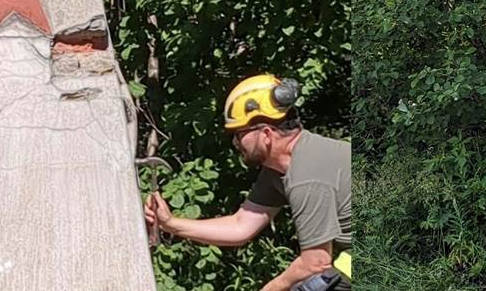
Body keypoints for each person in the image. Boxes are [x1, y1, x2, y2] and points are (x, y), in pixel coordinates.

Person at [145, 74, 351, 291]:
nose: (235, 142)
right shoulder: (278, 170)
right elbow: (240, 225)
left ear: (266, 134)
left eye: (239, 133)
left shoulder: (306, 174)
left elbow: (315, 264)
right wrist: (170, 223)